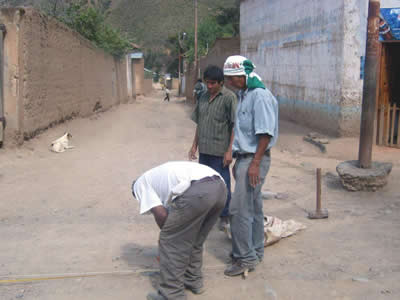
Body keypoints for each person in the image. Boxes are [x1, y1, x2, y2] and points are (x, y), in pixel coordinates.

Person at [131, 161, 227, 300]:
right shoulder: (155, 176)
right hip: (220, 188)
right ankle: (193, 280)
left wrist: (169, 241)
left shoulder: (140, 185)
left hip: (198, 191)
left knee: (170, 242)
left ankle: (172, 293)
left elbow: (162, 215)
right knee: (195, 239)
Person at [222, 55, 279, 276]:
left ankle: (244, 258)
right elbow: (240, 129)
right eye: (228, 78)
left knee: (238, 210)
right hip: (244, 159)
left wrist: (255, 164)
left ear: (243, 75)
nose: (229, 82)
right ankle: (255, 251)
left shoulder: (260, 97)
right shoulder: (245, 95)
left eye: (232, 78)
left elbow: (265, 133)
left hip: (254, 159)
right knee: (254, 208)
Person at [188, 65, 237, 232]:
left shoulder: (229, 98)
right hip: (205, 151)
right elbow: (200, 123)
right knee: (205, 184)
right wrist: (194, 145)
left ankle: (224, 216)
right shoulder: (202, 97)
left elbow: (234, 126)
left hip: (220, 152)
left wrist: (230, 150)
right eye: (207, 83)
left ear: (221, 83)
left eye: (213, 83)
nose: (209, 86)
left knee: (222, 185)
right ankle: (208, 214)